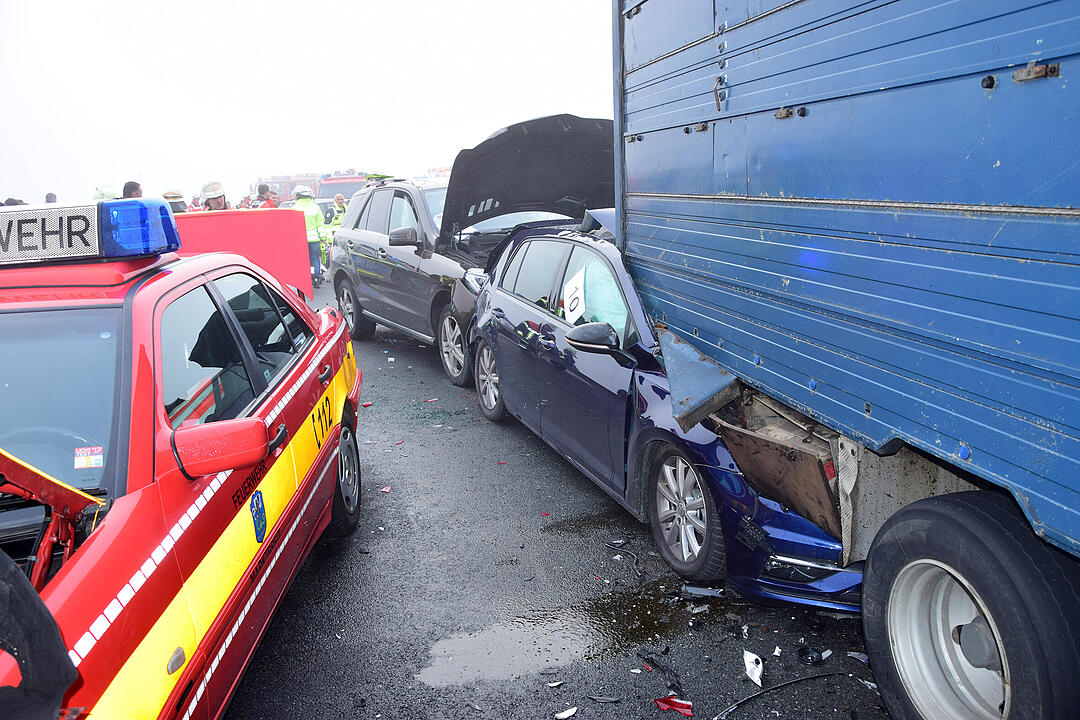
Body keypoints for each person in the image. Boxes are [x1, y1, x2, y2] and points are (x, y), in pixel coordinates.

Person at [291, 185, 326, 287]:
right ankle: (317, 277)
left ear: (298, 195)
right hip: (314, 238)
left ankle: (306, 278)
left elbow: (292, 226)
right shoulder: (316, 207)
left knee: (304, 259)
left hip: (301, 239)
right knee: (315, 257)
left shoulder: (294, 208)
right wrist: (323, 238)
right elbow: (320, 224)